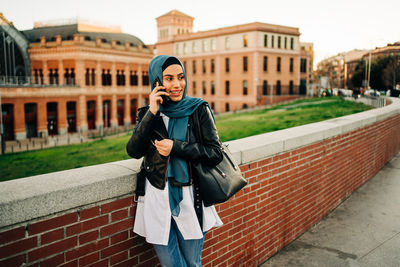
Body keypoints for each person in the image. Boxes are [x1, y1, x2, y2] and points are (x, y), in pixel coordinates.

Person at [126, 55, 223, 267]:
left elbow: (215, 153)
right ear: (157, 81)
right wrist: (152, 112)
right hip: (157, 198)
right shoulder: (147, 113)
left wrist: (176, 147)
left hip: (191, 197)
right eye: (168, 78)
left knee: (192, 262)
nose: (177, 84)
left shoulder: (199, 109)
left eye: (180, 77)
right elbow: (133, 150)